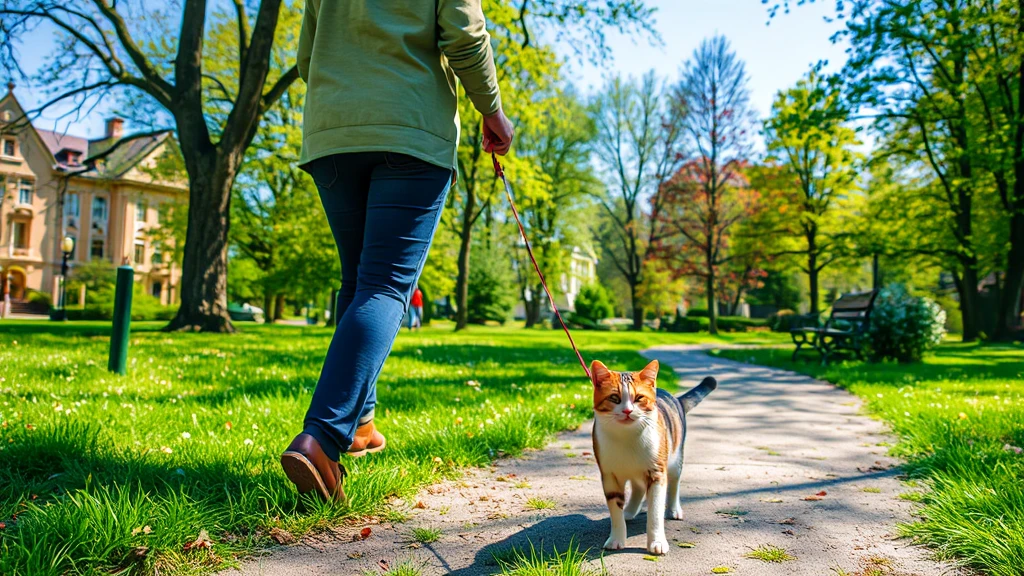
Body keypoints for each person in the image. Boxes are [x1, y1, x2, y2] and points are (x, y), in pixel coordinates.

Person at [280, 0, 514, 503]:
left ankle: (361, 424)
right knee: (385, 286)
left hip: (334, 129)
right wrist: (491, 110)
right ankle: (321, 437)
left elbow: (306, 57)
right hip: (408, 127)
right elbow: (464, 34)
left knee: (359, 283)